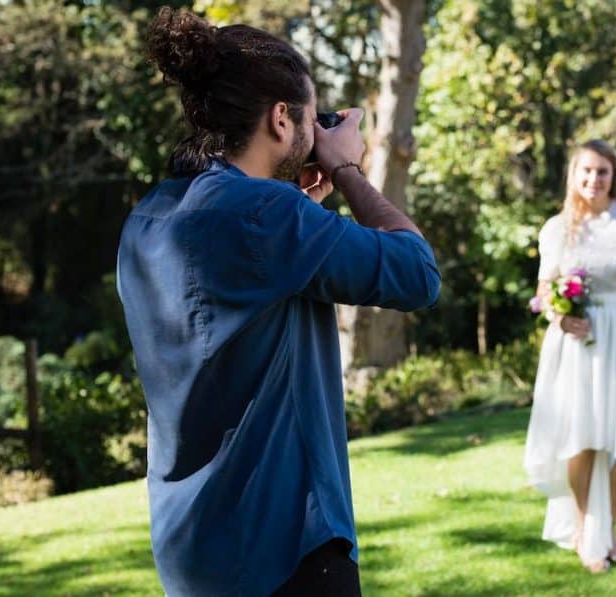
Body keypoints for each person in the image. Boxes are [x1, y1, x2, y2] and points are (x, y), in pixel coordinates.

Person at [117, 8, 440, 596]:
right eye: (313, 118)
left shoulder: (150, 217)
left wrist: (303, 209)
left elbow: (236, 304)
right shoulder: (268, 217)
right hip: (284, 548)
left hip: (192, 552)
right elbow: (418, 274)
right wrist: (344, 168)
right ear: (281, 119)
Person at [524, 139, 616, 573]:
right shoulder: (556, 228)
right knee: (582, 438)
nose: (594, 179)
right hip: (577, 340)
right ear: (574, 175)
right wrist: (560, 317)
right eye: (586, 171)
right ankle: (594, 536)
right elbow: (543, 293)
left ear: (614, 174)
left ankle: (601, 529)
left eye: (602, 171)